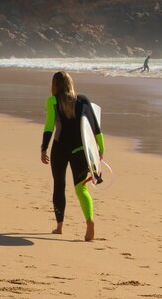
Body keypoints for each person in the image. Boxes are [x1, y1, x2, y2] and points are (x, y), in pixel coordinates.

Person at [40, 71, 104, 241]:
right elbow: (95, 128)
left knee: (59, 185)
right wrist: (100, 149)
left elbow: (49, 126)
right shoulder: (83, 100)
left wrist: (43, 148)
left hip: (60, 149)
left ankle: (59, 227)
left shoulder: (52, 101)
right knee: (81, 188)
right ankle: (89, 221)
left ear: (55, 85)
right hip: (80, 150)